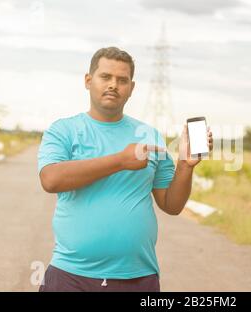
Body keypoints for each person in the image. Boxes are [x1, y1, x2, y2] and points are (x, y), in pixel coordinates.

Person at [37, 47, 213, 292]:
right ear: (88, 81)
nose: (113, 85)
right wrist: (120, 160)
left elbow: (171, 205)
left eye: (122, 80)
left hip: (138, 278)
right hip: (71, 275)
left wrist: (185, 165)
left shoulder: (150, 136)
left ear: (132, 87)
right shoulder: (63, 130)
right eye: (105, 77)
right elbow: (50, 179)